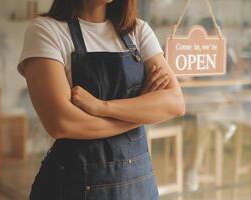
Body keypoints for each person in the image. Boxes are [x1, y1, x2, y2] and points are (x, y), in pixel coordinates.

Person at [17, 0, 185, 199]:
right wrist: (141, 110)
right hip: (72, 186)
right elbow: (62, 124)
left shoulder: (138, 31)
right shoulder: (46, 31)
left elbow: (175, 103)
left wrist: (102, 107)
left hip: (137, 186)